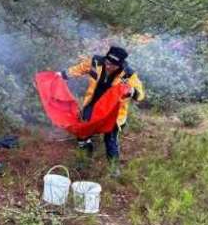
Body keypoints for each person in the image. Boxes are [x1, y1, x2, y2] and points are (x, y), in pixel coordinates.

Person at [60, 46, 145, 176]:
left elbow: (140, 95)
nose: (109, 66)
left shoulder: (128, 74)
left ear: (120, 64)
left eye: (113, 65)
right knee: (82, 132)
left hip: (113, 113)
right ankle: (84, 161)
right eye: (107, 62)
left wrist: (132, 92)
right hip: (92, 104)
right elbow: (80, 69)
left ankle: (113, 169)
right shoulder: (96, 62)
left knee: (110, 139)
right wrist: (62, 75)